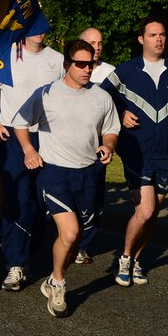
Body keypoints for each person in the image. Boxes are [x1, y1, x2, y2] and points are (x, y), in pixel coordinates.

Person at [13, 39, 120, 316]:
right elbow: (20, 122)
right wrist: (28, 150)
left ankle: (53, 277)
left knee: (77, 238)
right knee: (70, 232)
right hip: (55, 172)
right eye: (80, 64)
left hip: (88, 173)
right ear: (66, 65)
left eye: (91, 64)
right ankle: (59, 282)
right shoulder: (47, 93)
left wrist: (108, 146)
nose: (87, 69)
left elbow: (111, 129)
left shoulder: (101, 97)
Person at [101, 16, 168, 286]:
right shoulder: (127, 71)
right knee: (146, 211)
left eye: (162, 35)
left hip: (166, 154)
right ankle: (123, 258)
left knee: (153, 213)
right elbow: (101, 100)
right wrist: (120, 113)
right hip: (136, 151)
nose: (159, 39)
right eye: (152, 35)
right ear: (141, 39)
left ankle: (137, 260)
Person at [0, 33, 64, 291]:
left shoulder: (57, 60)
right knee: (18, 198)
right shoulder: (5, 56)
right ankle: (14, 263)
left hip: (46, 136)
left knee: (40, 201)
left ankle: (29, 250)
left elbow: (67, 96)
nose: (38, 30)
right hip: (13, 137)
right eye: (32, 25)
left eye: (42, 25)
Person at [73, 27, 115, 265]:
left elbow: (120, 103)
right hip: (73, 142)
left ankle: (83, 244)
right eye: (91, 42)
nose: (97, 47)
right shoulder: (68, 69)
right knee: (74, 192)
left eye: (100, 43)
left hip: (99, 144)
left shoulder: (111, 73)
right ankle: (67, 235)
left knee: (94, 194)